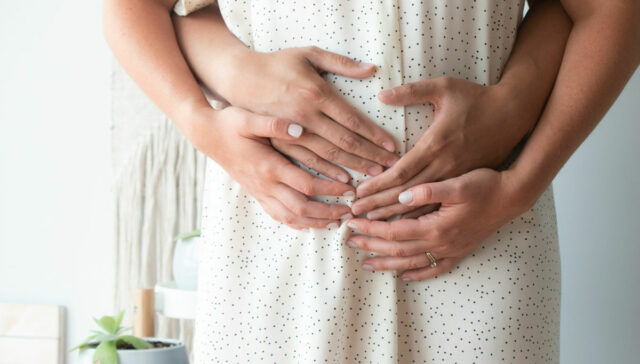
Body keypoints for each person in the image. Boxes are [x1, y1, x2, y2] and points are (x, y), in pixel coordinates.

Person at [102, 0, 639, 361]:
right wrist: (204, 124)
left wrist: (520, 182)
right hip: (276, 244)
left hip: (479, 234)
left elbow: (606, 11)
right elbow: (139, 8)